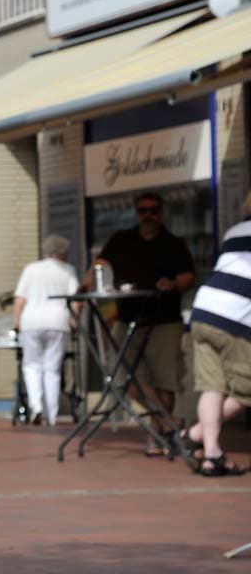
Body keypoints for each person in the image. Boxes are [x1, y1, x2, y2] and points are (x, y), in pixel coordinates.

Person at [94, 192, 195, 453]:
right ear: (135, 213)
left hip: (164, 319)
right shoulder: (121, 240)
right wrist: (93, 279)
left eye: (153, 210)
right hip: (127, 317)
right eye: (142, 210)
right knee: (123, 377)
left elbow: (188, 277)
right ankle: (169, 422)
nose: (148, 215)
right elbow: (101, 264)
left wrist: (172, 283)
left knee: (165, 380)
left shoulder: (174, 243)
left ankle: (156, 435)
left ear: (162, 213)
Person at [176, 192, 251, 476]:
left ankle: (210, 454)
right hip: (236, 317)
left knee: (212, 387)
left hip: (204, 310)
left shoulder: (234, 232)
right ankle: (195, 434)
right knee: (246, 390)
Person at [11, 235, 79, 426]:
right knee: (53, 369)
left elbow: (19, 299)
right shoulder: (68, 270)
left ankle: (36, 406)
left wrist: (16, 321)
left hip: (31, 321)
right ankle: (52, 414)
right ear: (62, 252)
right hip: (58, 321)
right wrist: (74, 321)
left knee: (31, 365)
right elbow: (75, 300)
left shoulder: (31, 269)